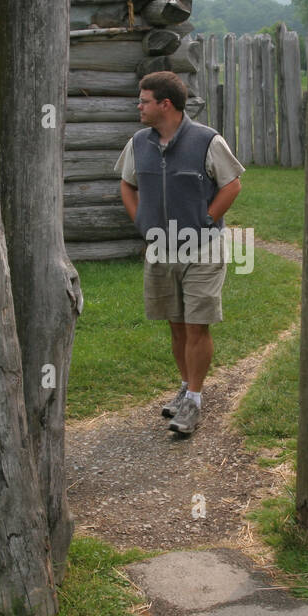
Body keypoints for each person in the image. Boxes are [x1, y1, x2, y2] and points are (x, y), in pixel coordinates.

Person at [114, 71, 244, 436]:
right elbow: (127, 183)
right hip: (160, 248)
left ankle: (195, 402)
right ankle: (186, 386)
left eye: (143, 100)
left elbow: (232, 184)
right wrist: (141, 219)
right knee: (175, 323)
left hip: (203, 247)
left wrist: (207, 217)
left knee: (195, 324)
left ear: (164, 104)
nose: (138, 106)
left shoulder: (207, 141)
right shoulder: (138, 142)